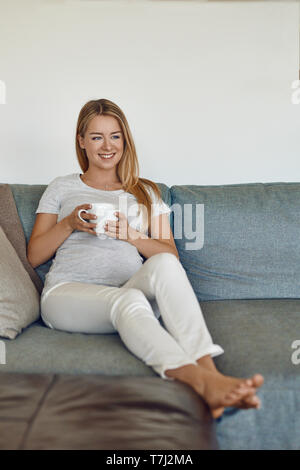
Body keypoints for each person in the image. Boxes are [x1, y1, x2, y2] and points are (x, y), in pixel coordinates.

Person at [27, 98, 264, 419]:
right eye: (96, 137)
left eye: (115, 136)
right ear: (81, 142)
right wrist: (69, 222)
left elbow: (170, 257)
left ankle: (213, 375)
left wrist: (131, 235)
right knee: (128, 301)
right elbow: (34, 254)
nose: (107, 145)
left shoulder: (146, 191)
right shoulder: (61, 187)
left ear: (125, 140)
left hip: (132, 294)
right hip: (67, 296)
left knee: (158, 271)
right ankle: (204, 383)